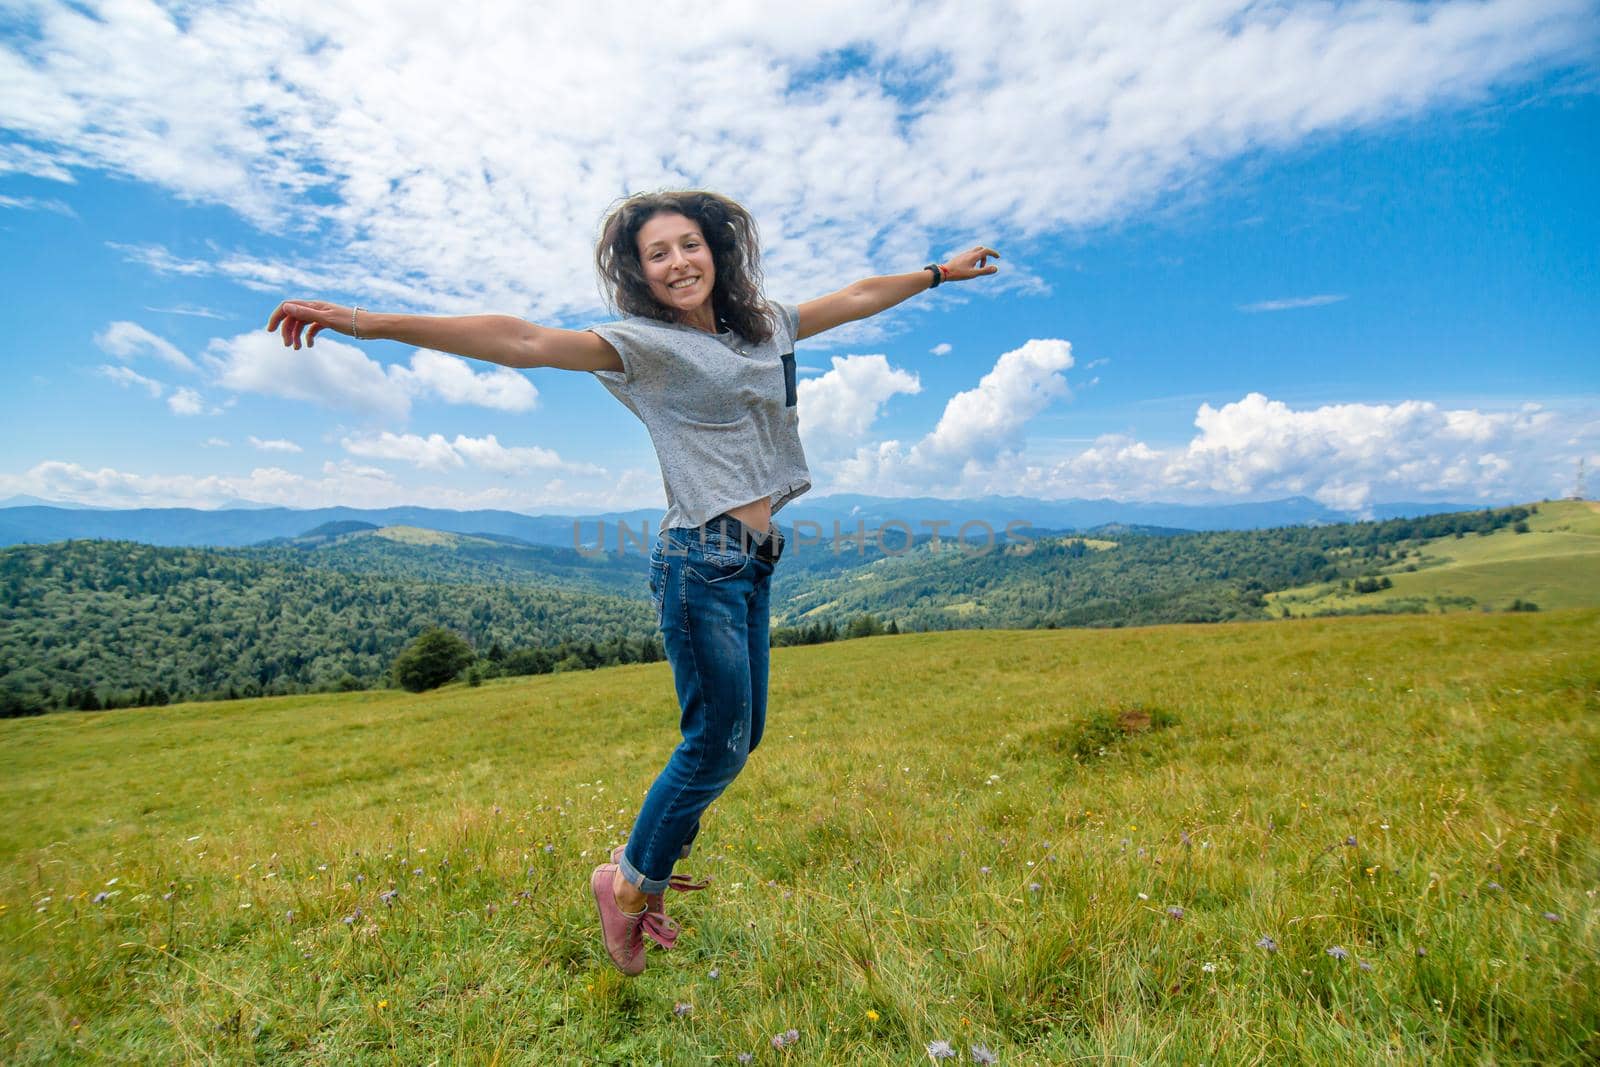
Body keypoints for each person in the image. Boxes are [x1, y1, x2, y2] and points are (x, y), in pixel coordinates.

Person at [267, 190, 999, 975]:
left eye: (690, 244)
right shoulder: (640, 346)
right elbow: (521, 340)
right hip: (699, 563)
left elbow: (853, 299)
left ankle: (633, 870)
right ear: (640, 272)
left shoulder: (765, 328)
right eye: (659, 253)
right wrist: (365, 321)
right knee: (713, 744)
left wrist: (934, 274)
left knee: (738, 738)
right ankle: (626, 885)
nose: (679, 261)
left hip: (753, 560)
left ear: (717, 250)